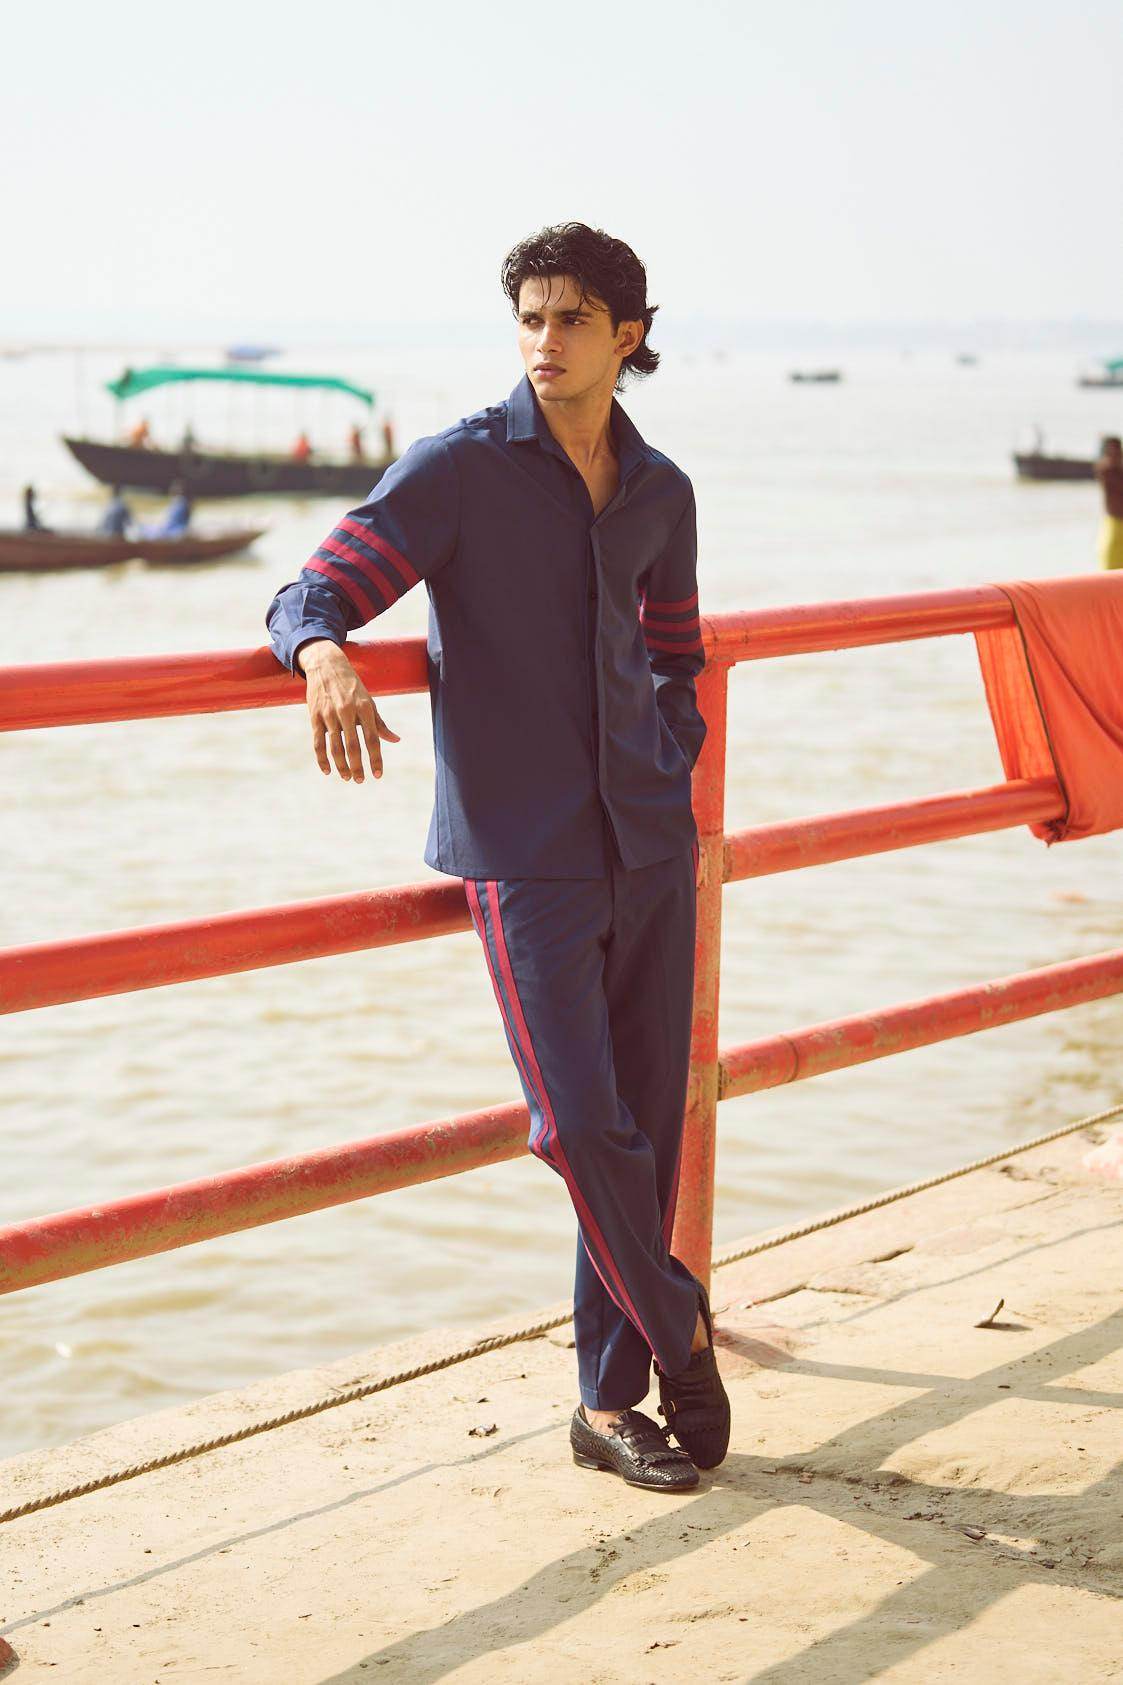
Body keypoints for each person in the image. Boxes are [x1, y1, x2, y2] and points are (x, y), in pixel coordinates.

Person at [265, 222, 730, 1495]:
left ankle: (607, 1403)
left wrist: (667, 759)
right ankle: (680, 1328)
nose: (546, 340)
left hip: (648, 845)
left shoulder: (662, 490)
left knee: (645, 1130)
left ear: (628, 336)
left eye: (572, 318)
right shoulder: (457, 471)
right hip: (526, 856)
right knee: (579, 1126)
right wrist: (323, 654)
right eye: (530, 317)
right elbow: (311, 589)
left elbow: (677, 656)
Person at [1095, 436, 1123, 570]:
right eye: (1110, 450)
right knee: (1109, 566)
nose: (1114, 454)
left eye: (1117, 450)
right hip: (1114, 522)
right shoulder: (1106, 469)